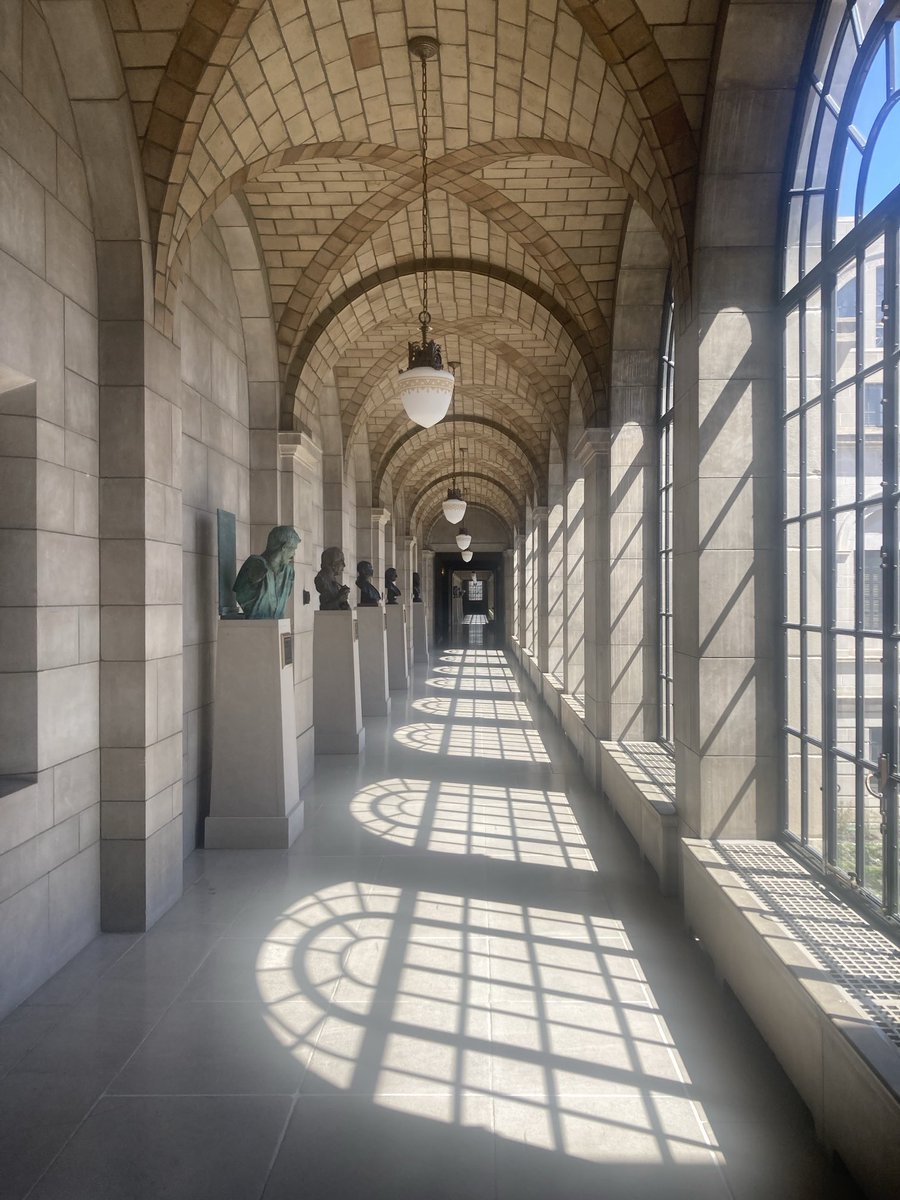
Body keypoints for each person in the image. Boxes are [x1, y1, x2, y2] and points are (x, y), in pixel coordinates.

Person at [233, 525, 300, 619]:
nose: (293, 555)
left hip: (277, 626)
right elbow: (241, 593)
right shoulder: (255, 565)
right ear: (284, 548)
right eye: (293, 549)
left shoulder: (288, 573)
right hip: (257, 625)